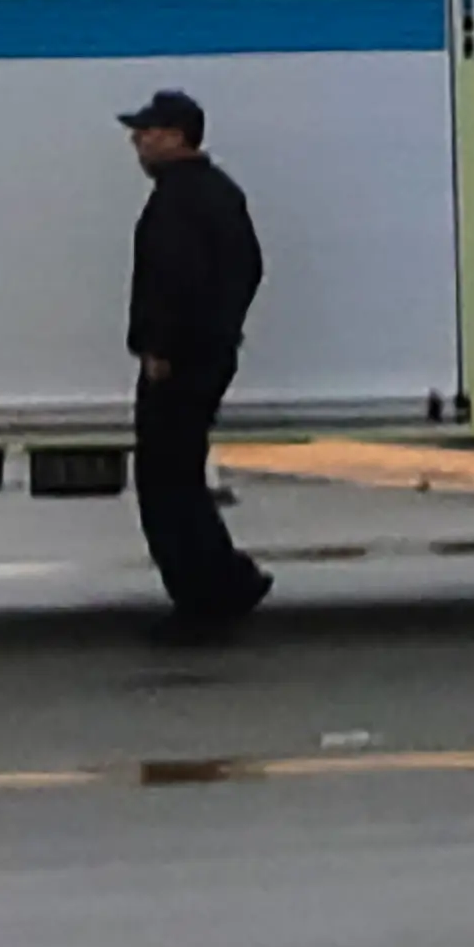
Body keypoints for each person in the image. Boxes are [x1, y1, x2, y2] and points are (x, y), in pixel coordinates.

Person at [120, 90, 269, 624]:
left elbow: (174, 281)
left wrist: (163, 349)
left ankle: (209, 592)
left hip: (179, 363)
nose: (138, 141)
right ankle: (222, 582)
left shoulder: (181, 199)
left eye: (148, 131)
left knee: (167, 481)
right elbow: (248, 268)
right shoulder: (214, 191)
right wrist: (222, 332)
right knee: (179, 476)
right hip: (205, 356)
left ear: (178, 135)